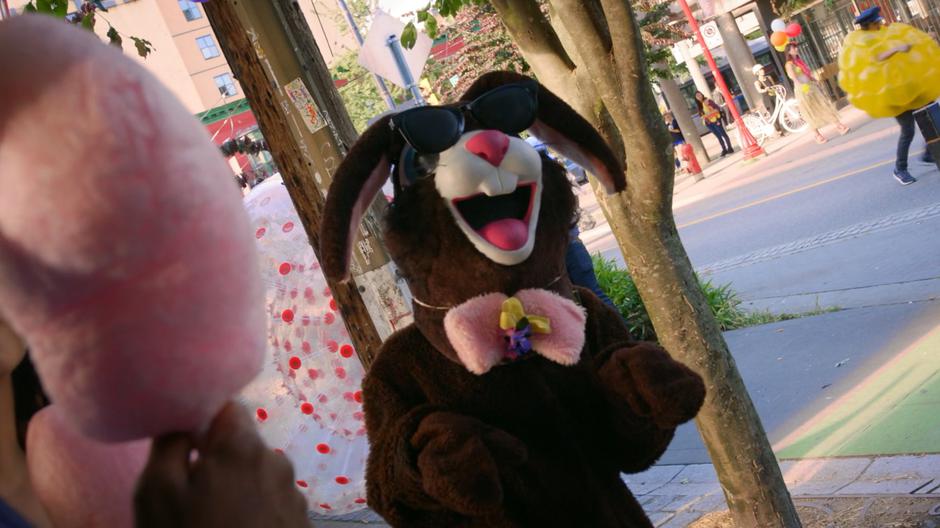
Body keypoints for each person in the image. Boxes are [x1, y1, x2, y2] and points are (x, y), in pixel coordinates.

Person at [847, 6, 935, 185]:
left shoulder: (884, 34)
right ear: (869, 24)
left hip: (906, 86)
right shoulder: (863, 41)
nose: (881, 22)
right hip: (890, 94)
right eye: (877, 21)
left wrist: (924, 41)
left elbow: (905, 45)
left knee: (930, 116)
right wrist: (897, 49)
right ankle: (900, 168)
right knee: (908, 130)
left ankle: (929, 152)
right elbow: (877, 57)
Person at [784, 44, 850, 144]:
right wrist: (803, 87)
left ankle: (839, 126)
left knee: (824, 105)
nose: (796, 49)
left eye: (796, 47)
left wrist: (814, 79)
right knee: (809, 111)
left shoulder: (799, 61)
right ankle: (817, 135)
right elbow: (794, 77)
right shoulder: (789, 64)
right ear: (789, 51)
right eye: (794, 48)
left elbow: (806, 74)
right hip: (802, 89)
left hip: (811, 86)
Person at [694, 91, 734, 157]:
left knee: (723, 134)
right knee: (718, 136)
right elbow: (701, 115)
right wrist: (704, 117)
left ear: (702, 94)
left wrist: (708, 114)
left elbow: (717, 108)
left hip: (715, 120)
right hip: (708, 123)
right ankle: (724, 149)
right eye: (697, 96)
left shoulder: (708, 101)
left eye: (699, 94)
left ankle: (730, 148)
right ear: (696, 98)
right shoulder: (699, 106)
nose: (699, 96)